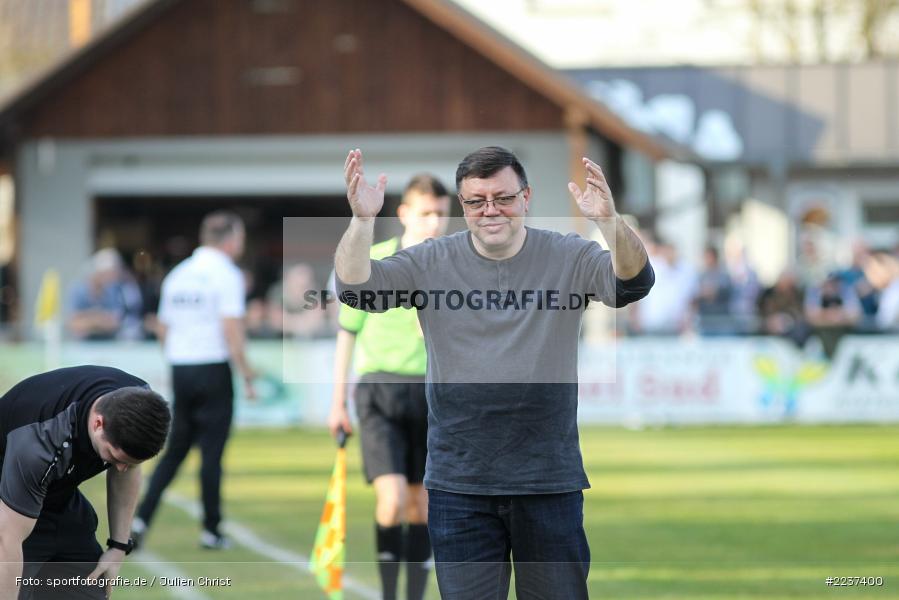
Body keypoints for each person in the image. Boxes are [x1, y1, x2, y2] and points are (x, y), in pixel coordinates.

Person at [334, 147, 654, 599]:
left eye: (502, 198)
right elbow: (356, 291)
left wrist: (609, 221)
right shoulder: (430, 260)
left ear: (526, 197)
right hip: (459, 484)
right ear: (462, 206)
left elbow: (634, 282)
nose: (490, 211)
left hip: (547, 479)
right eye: (476, 201)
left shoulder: (569, 255)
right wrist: (362, 221)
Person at [329, 174, 450, 600]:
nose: (433, 222)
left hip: (433, 396)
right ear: (403, 215)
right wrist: (336, 403)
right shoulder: (375, 260)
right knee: (392, 500)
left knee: (423, 506)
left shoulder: (453, 265)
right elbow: (347, 332)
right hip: (379, 390)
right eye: (425, 213)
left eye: (440, 213)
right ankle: (387, 593)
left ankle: (414, 596)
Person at [131, 211, 256, 551]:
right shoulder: (226, 274)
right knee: (211, 454)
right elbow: (231, 328)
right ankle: (211, 530)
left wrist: (175, 360)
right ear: (230, 239)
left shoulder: (179, 274)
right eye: (240, 237)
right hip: (212, 367)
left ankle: (140, 520)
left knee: (174, 451)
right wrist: (245, 372)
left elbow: (164, 328)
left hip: (181, 368)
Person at [0, 365, 170, 600]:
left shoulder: (138, 402)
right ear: (98, 424)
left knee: (90, 590)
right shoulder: (39, 441)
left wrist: (118, 548)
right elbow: (6, 540)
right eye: (114, 457)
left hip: (58, 499)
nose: (121, 468)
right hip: (8, 505)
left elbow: (127, 469)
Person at [67, 249, 144, 341]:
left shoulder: (113, 289)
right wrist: (98, 319)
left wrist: (88, 318)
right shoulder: (78, 290)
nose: (112, 277)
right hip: (83, 344)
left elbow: (115, 322)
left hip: (109, 342)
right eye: (109, 274)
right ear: (98, 272)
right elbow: (73, 324)